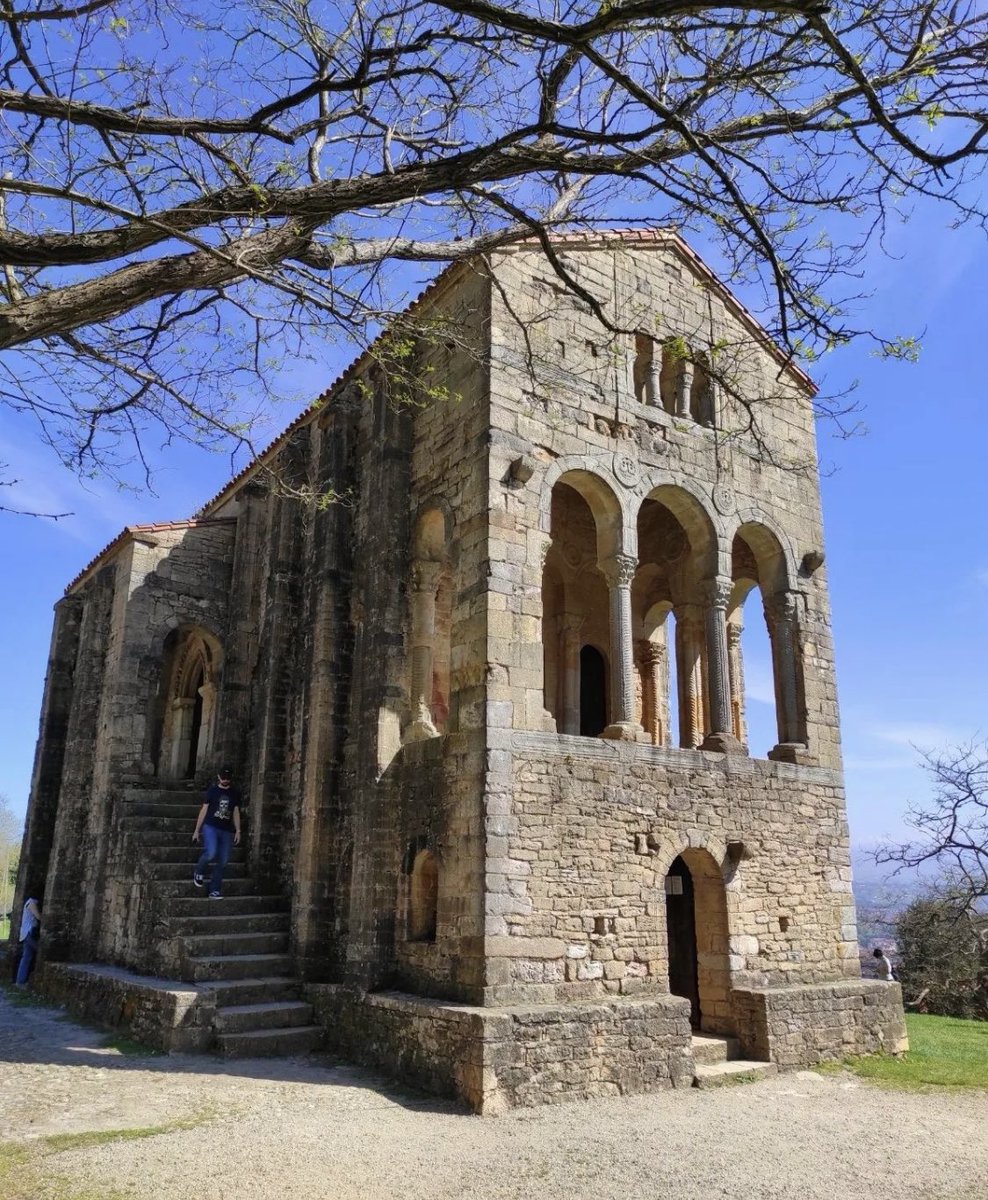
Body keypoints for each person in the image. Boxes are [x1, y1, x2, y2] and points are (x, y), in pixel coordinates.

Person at [192, 766, 242, 900]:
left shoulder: (235, 793)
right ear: (219, 777)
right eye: (223, 777)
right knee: (211, 852)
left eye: (228, 777)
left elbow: (236, 812)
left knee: (224, 860)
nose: (225, 780)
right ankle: (199, 871)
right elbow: (204, 810)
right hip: (211, 827)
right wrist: (197, 830)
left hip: (226, 830)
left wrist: (238, 830)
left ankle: (214, 889)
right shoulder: (213, 791)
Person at [15, 895, 41, 987]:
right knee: (41, 952)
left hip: (25, 933)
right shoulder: (32, 903)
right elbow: (38, 916)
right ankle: (21, 981)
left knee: (26, 957)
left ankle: (20, 981)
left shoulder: (28, 902)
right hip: (29, 932)